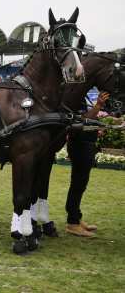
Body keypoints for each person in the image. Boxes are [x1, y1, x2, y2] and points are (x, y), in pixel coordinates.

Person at [65, 91, 110, 237]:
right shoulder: (75, 98)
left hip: (85, 144)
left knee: (80, 184)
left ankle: (76, 218)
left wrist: (97, 127)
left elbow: (86, 125)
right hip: (80, 146)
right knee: (78, 183)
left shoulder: (81, 96)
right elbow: (81, 122)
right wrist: (98, 105)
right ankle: (72, 223)